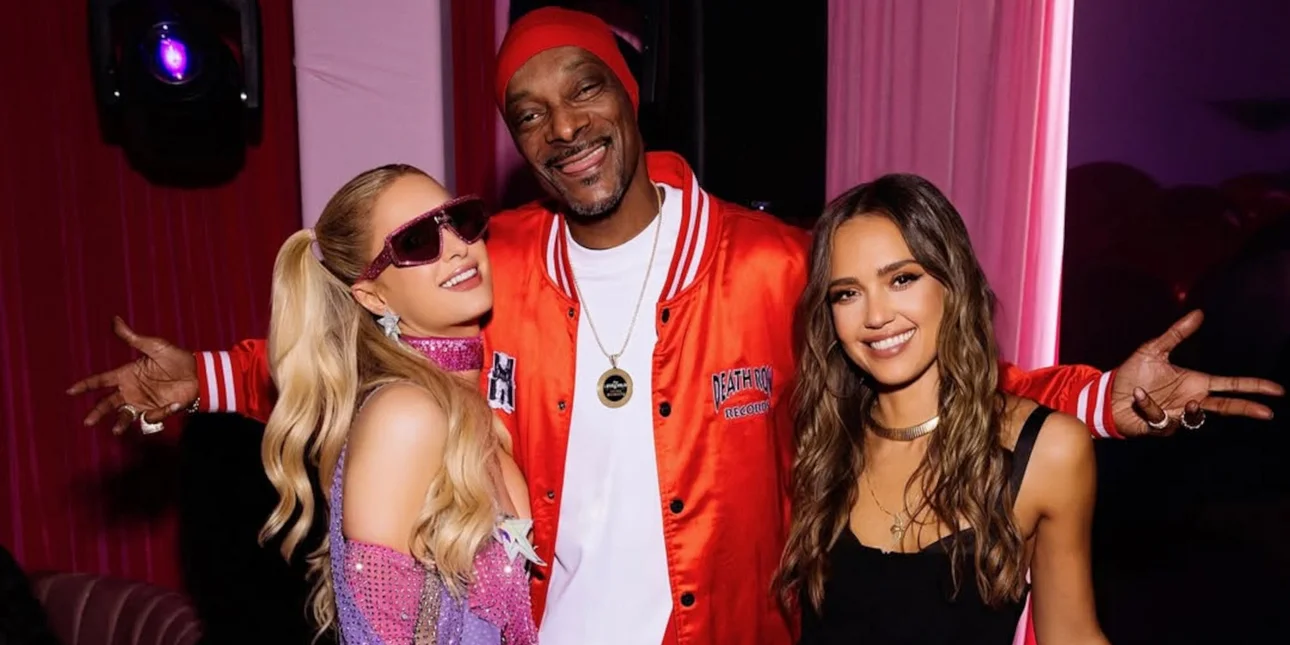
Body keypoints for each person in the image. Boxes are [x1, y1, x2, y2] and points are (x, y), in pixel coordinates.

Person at [67, 7, 1283, 645]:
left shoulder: (770, 262)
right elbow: (351, 344)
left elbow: (920, 359)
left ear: (627, 93)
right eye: (528, 113)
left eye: (583, 89)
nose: (562, 126)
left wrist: (1097, 399)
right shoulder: (494, 262)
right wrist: (206, 376)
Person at [776, 174, 1112, 644]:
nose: (876, 316)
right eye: (847, 293)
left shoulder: (1046, 451)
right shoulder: (822, 440)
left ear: (952, 283)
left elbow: (1072, 635)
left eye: (902, 279)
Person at [256, 164, 540, 643]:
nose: (457, 246)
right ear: (373, 297)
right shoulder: (405, 415)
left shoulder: (465, 410)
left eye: (461, 220)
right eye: (416, 242)